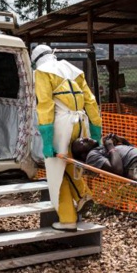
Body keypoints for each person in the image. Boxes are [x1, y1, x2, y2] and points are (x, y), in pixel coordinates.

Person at [32, 44, 102, 230]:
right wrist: (96, 133)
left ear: (35, 61)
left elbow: (45, 105)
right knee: (72, 164)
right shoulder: (74, 70)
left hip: (61, 125)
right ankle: (82, 194)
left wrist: (47, 140)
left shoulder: (41, 72)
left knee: (56, 173)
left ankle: (67, 219)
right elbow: (91, 102)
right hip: (81, 123)